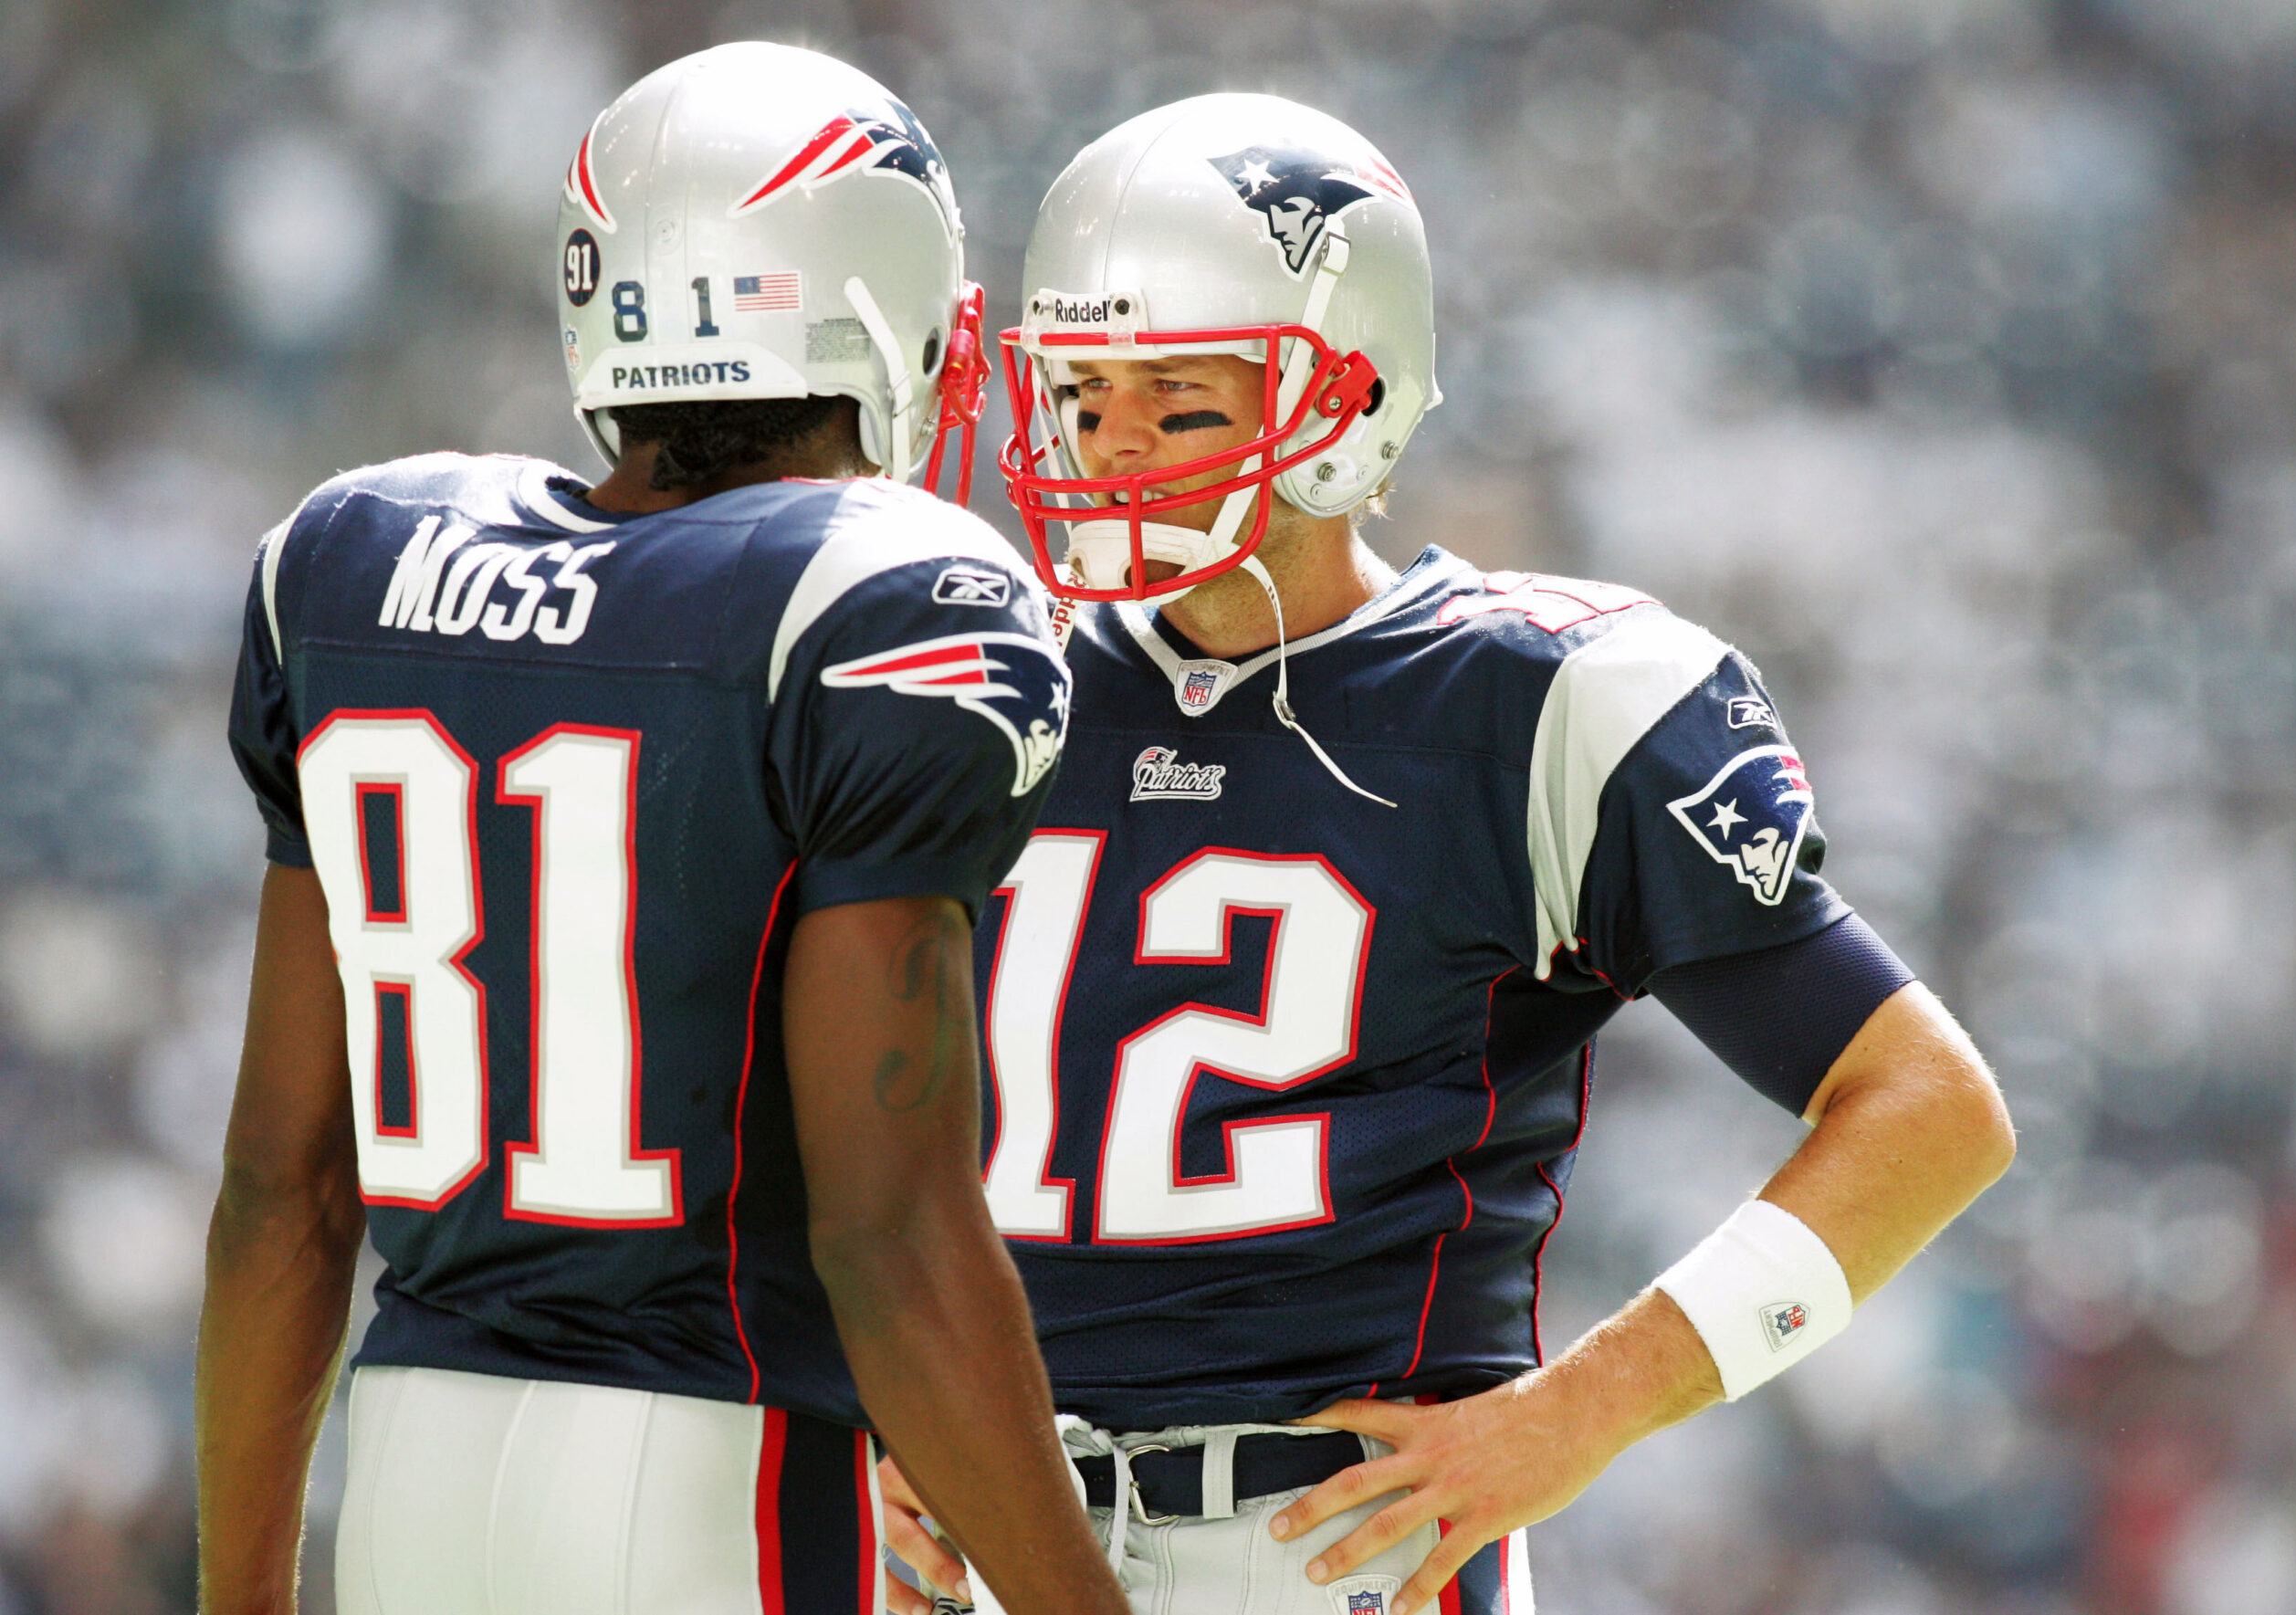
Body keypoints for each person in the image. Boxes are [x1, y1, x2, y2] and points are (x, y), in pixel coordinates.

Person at [880, 94, 2015, 1615]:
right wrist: (866, 1393)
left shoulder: (1539, 698)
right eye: (1085, 391)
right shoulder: (983, 673)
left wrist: (1583, 1409)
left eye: (1183, 396)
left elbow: (1931, 1110)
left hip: (1329, 1552)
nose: (1112, 441)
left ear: (1346, 403)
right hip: (978, 1540)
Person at [196, 43, 1130, 1615]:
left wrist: (239, 1597)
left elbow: (283, 1192)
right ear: (870, 306)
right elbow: (892, 1236)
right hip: (720, 1473)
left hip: (411, 1464)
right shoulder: (879, 598)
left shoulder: (348, 558)